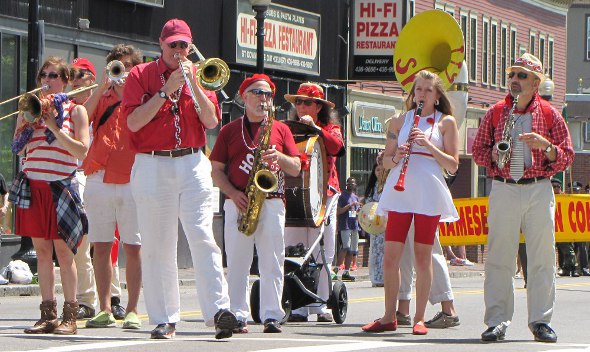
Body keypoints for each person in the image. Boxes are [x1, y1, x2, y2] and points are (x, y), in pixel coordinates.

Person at [121, 18, 237, 340]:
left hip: (192, 162)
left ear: (190, 46)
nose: (178, 50)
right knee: (158, 245)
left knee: (202, 235)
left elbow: (211, 120)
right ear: (161, 44)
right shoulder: (139, 75)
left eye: (183, 45)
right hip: (152, 163)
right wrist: (164, 91)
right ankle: (164, 317)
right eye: (172, 44)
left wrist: (194, 85)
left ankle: (219, 311)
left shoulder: (198, 74)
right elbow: (132, 123)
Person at [472, 53, 574, 343]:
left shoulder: (551, 114)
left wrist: (547, 147)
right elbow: (478, 152)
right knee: (499, 258)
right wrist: (494, 153)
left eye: (522, 76)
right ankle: (497, 320)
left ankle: (541, 321)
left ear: (536, 83)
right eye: (512, 75)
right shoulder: (494, 112)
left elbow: (567, 155)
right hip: (504, 186)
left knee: (542, 257)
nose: (515, 80)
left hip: (538, 187)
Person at [362, 70, 460, 336]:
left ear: (438, 96)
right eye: (418, 89)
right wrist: (396, 158)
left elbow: (452, 164)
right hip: (400, 190)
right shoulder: (399, 121)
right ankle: (388, 316)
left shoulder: (445, 122)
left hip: (428, 191)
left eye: (428, 90)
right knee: (391, 258)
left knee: (422, 257)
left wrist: (428, 145)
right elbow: (385, 160)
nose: (422, 94)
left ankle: (419, 318)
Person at [210, 74, 301, 334]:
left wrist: (280, 157)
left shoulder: (281, 128)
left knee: (272, 260)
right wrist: (232, 193)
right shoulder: (229, 130)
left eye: (268, 95)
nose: (264, 99)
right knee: (238, 262)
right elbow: (215, 170)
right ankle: (238, 315)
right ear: (244, 97)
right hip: (238, 201)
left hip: (271, 201)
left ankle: (272, 314)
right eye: (258, 93)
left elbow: (295, 167)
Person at [10, 56, 90, 335]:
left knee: (64, 255)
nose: (46, 80)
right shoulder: (29, 110)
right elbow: (17, 150)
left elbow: (82, 151)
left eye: (54, 75)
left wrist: (55, 126)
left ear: (66, 81)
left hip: (61, 188)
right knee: (42, 253)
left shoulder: (76, 111)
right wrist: (26, 122)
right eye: (43, 75)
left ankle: (70, 315)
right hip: (34, 186)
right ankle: (47, 314)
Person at [81, 44, 143, 330]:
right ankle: (104, 308)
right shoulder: (102, 95)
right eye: (118, 64)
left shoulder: (143, 95)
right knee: (101, 247)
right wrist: (103, 86)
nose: (124, 69)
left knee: (133, 246)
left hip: (132, 177)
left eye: (129, 64)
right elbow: (82, 118)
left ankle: (131, 309)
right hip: (99, 177)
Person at [70, 57, 127, 320]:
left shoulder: (109, 97)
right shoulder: (69, 106)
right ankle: (87, 299)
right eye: (71, 75)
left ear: (92, 78)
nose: (75, 80)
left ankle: (113, 297)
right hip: (77, 174)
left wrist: (107, 87)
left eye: (81, 74)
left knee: (107, 242)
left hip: (101, 175)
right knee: (82, 243)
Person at [283, 82, 345, 323]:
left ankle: (321, 303)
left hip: (325, 192)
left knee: (322, 248)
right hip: (296, 192)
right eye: (298, 102)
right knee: (295, 247)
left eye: (307, 102)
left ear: (318, 106)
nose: (301, 106)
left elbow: (336, 146)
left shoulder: (331, 127)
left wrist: (316, 130)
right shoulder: (287, 127)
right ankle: (297, 304)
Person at [336, 177, 361, 282]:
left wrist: (360, 212)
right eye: (349, 183)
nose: (351, 184)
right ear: (346, 184)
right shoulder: (342, 196)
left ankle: (346, 272)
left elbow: (358, 212)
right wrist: (350, 205)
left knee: (352, 249)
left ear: (355, 185)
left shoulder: (356, 197)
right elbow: (339, 211)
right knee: (345, 246)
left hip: (354, 225)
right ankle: (336, 270)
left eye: (353, 183)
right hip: (345, 225)